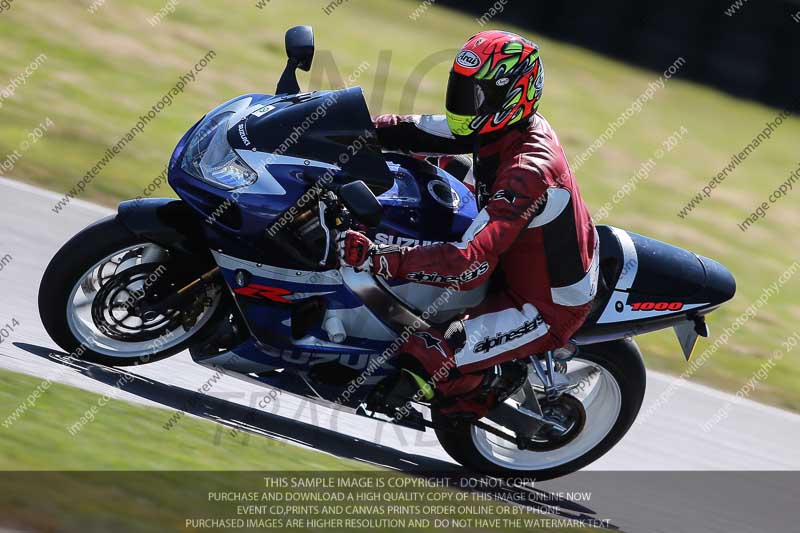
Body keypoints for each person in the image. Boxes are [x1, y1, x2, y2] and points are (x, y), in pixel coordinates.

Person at [337, 30, 599, 419]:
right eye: (460, 87)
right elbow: (405, 129)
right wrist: (332, 131)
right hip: (510, 253)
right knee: (417, 170)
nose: (463, 102)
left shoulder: (531, 170)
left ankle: (494, 384)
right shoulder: (495, 125)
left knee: (429, 351)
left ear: (511, 97)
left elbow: (469, 264)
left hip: (544, 303)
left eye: (475, 94)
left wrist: (380, 258)